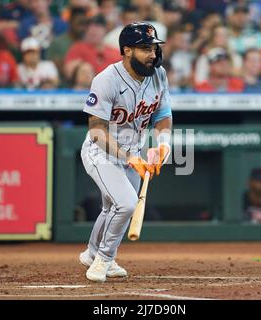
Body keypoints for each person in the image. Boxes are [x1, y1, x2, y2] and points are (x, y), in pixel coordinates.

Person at [79, 22, 172, 282]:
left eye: (153, 47)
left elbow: (163, 115)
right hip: (101, 152)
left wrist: (163, 145)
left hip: (134, 150)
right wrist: (130, 157)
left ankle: (91, 253)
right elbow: (97, 131)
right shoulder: (106, 79)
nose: (152, 54)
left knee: (111, 208)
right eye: (145, 48)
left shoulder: (158, 74)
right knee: (127, 203)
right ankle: (104, 260)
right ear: (127, 50)